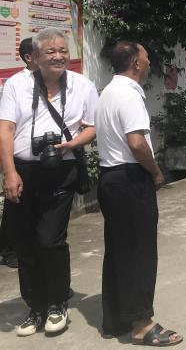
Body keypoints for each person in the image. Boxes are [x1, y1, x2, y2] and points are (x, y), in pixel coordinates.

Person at [0, 28, 99, 336]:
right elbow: (5, 129)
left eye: (62, 50)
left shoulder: (82, 85)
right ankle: (35, 306)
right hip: (22, 171)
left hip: (61, 170)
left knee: (50, 240)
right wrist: (9, 173)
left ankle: (57, 303)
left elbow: (92, 126)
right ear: (34, 57)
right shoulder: (17, 84)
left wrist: (72, 144)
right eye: (50, 51)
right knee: (25, 242)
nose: (58, 56)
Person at [95, 41, 182, 346]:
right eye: (146, 57)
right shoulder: (129, 95)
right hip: (130, 179)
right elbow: (136, 143)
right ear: (135, 63)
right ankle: (142, 323)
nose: (148, 62)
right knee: (140, 253)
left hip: (110, 178)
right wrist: (156, 171)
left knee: (119, 251)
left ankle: (116, 319)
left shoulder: (108, 92)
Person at [0, 38, 34, 271]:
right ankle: (9, 249)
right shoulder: (16, 83)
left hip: (37, 157)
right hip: (15, 153)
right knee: (15, 202)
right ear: (29, 57)